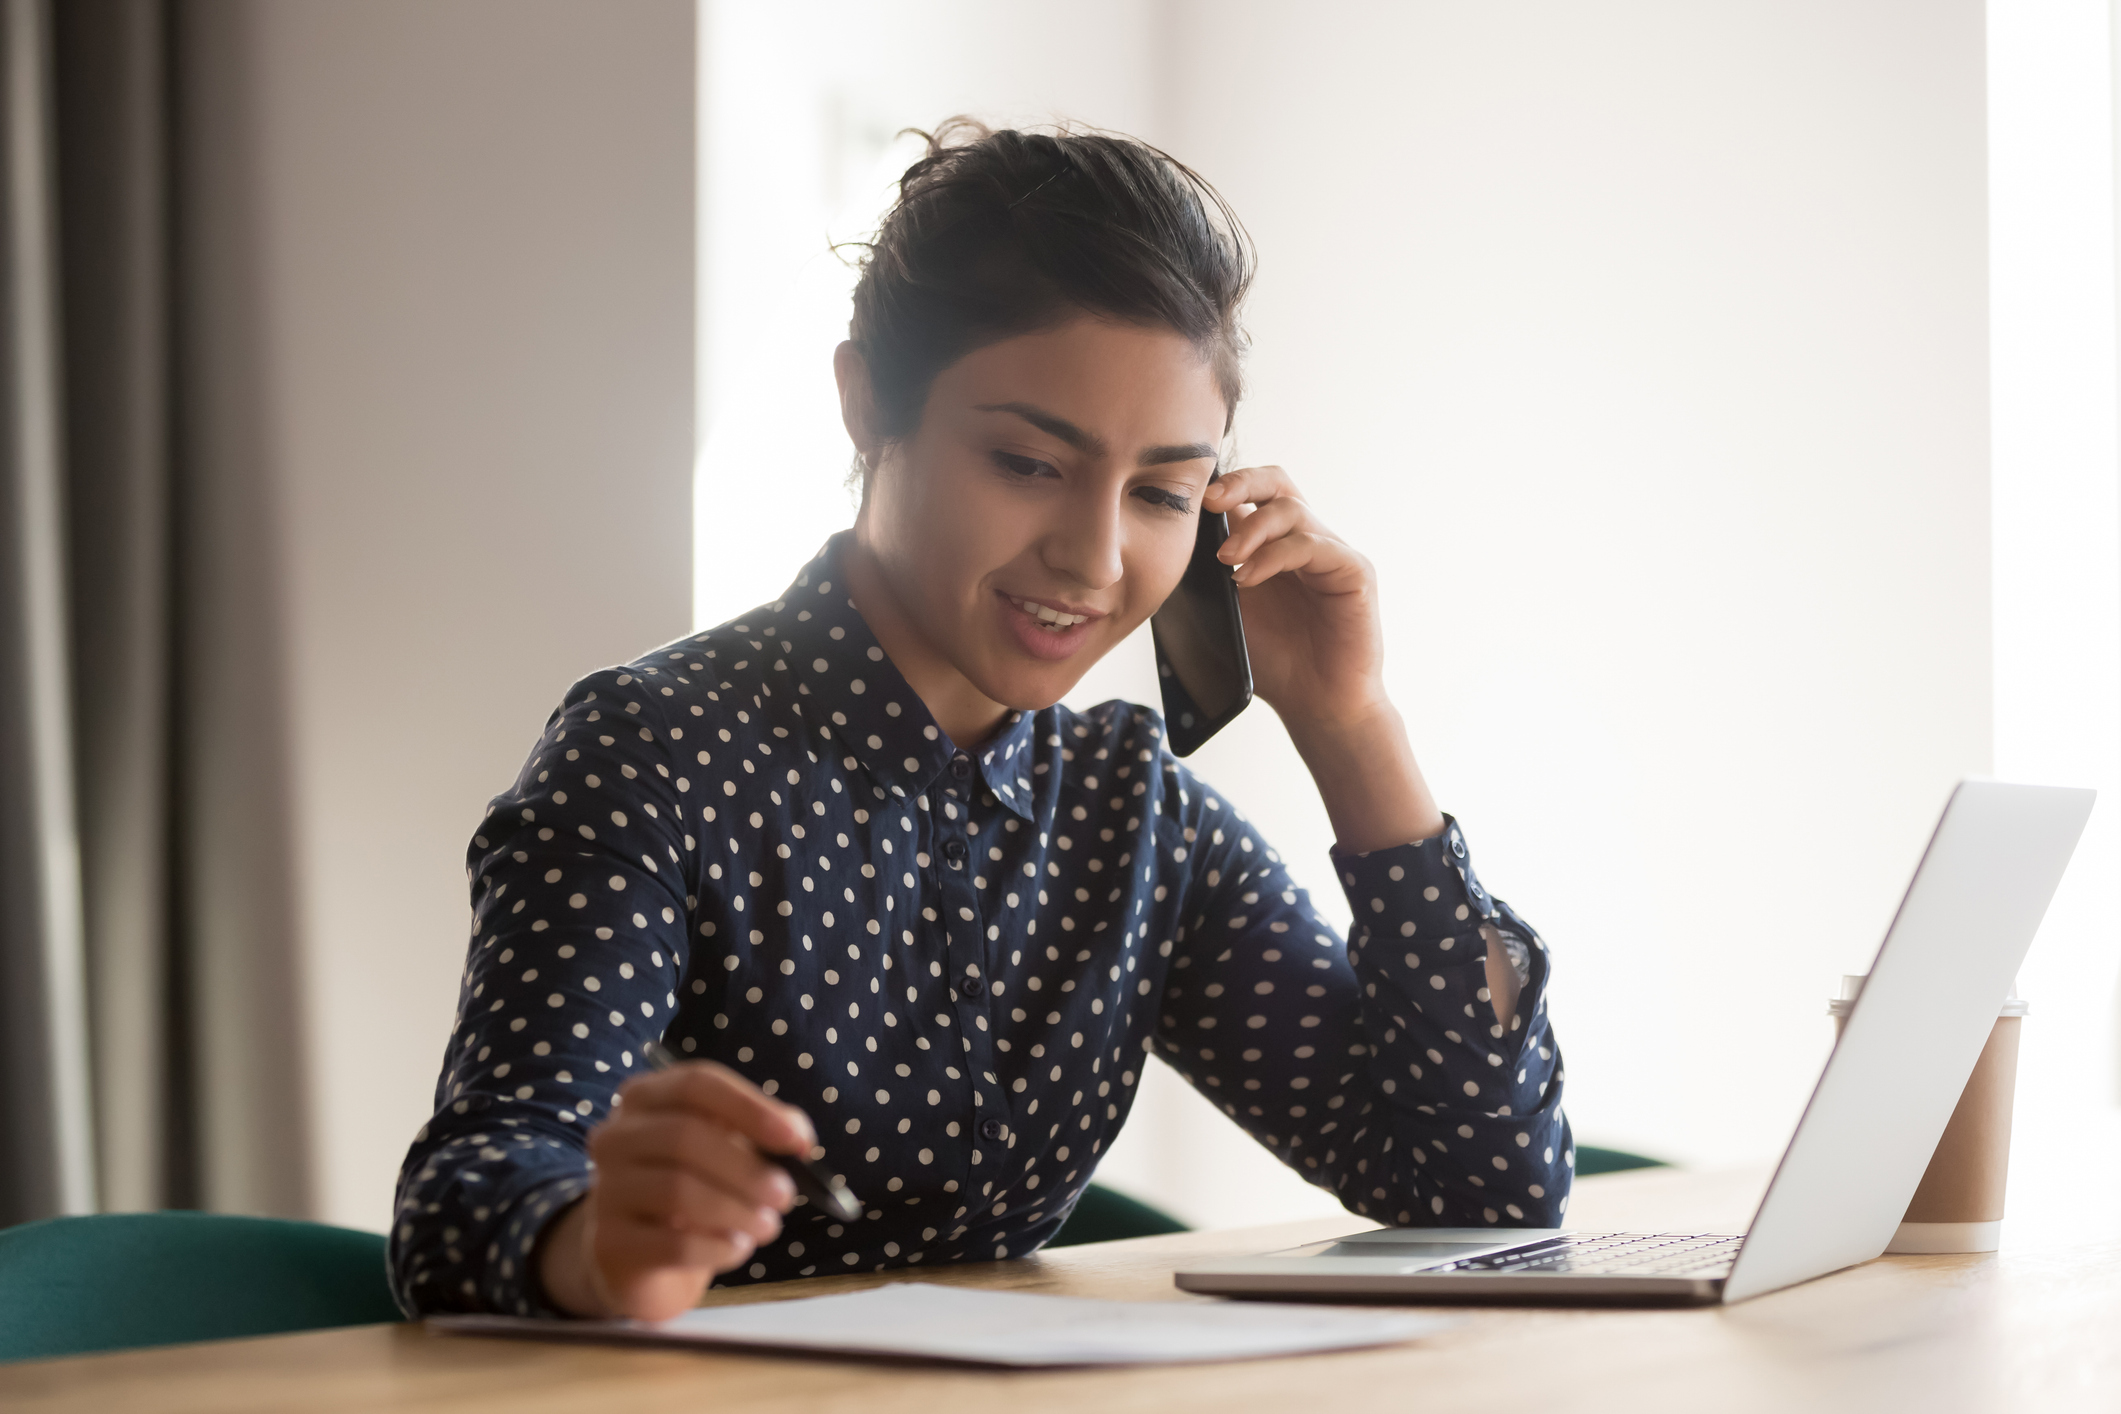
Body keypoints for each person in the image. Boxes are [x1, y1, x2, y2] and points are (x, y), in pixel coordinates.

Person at [389, 119, 1570, 1322]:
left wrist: (1349, 721)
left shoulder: (1130, 814)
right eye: (1026, 462)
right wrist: (596, 1246)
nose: (1095, 556)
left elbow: (1484, 1189)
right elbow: (468, 1195)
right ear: (866, 406)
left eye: (1162, 491)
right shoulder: (655, 753)